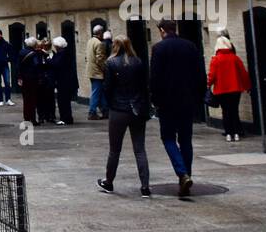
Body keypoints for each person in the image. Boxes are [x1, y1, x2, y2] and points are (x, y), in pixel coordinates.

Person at [149, 20, 207, 200]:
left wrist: (155, 100)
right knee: (185, 139)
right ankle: (186, 175)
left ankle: (182, 174)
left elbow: (155, 77)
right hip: (187, 101)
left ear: (161, 30)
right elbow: (200, 74)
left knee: (167, 137)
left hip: (167, 102)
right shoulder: (190, 46)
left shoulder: (159, 49)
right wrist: (198, 97)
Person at [98, 37, 151, 196]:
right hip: (136, 109)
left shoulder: (110, 63)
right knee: (140, 149)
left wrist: (110, 104)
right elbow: (144, 86)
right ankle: (145, 186)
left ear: (115, 46)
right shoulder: (138, 62)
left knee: (115, 150)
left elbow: (107, 88)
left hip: (118, 110)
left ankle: (109, 182)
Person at [207, 35, 251, 142]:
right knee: (234, 111)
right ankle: (236, 133)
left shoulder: (215, 60)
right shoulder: (235, 58)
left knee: (225, 112)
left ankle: (228, 133)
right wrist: (247, 86)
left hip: (221, 90)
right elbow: (243, 73)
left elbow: (211, 76)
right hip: (235, 89)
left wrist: (207, 85)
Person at [49, 36, 77, 125]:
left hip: (63, 81)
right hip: (66, 80)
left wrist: (49, 60)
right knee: (65, 101)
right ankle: (67, 118)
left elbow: (56, 64)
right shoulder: (66, 53)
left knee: (63, 101)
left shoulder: (62, 54)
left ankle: (65, 118)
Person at [85, 24, 109, 119]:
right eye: (102, 33)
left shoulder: (90, 41)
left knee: (100, 92)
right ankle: (92, 112)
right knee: (96, 92)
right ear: (100, 33)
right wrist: (105, 69)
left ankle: (105, 110)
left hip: (91, 71)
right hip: (97, 72)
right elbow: (100, 59)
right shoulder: (99, 43)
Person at [18, 36, 41, 123]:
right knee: (33, 99)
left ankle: (26, 117)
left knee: (26, 99)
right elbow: (36, 65)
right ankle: (33, 118)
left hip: (24, 78)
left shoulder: (21, 52)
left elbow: (18, 66)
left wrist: (19, 77)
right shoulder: (34, 54)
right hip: (32, 78)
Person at [35, 39, 56, 124]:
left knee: (50, 98)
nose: (48, 47)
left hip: (50, 79)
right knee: (40, 99)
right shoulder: (39, 54)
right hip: (41, 79)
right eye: (46, 46)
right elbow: (38, 66)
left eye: (49, 46)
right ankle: (41, 116)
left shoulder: (53, 53)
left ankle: (51, 116)